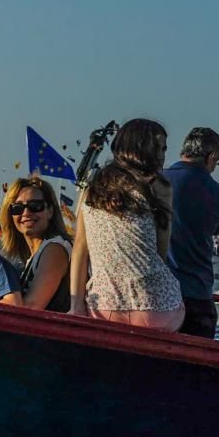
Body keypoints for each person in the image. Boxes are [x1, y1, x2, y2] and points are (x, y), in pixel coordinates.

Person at [69, 119, 184, 331]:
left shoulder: (92, 186)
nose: (162, 155)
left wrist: (76, 306)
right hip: (157, 308)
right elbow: (160, 252)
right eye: (158, 148)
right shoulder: (159, 187)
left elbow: (80, 248)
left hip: (103, 306)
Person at [164, 127, 219, 338]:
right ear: (211, 157)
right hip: (198, 294)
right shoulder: (218, 193)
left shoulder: (158, 180)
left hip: (159, 295)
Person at [0, 177, 72, 311]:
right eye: (18, 208)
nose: (26, 213)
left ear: (50, 211)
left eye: (35, 206)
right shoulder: (30, 257)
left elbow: (31, 307)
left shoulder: (55, 249)